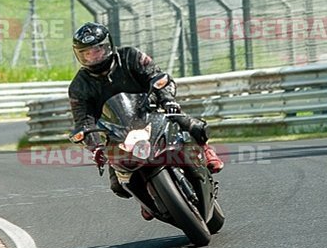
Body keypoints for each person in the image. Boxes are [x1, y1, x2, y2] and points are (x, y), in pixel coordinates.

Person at [68, 22, 224, 221]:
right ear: (79, 55)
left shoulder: (131, 56)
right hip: (117, 133)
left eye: (97, 50)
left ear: (107, 46)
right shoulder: (78, 86)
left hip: (150, 111)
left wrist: (166, 98)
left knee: (190, 124)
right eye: (87, 53)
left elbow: (156, 76)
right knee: (118, 185)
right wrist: (95, 146)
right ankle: (148, 198)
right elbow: (83, 120)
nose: (94, 56)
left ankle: (205, 149)